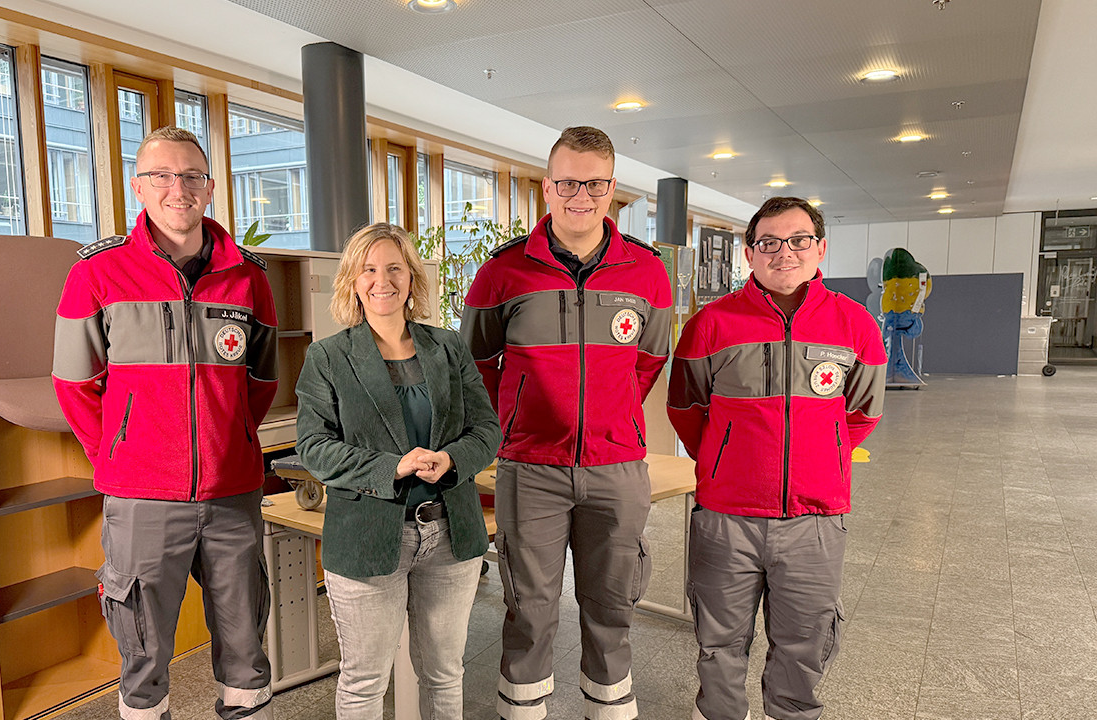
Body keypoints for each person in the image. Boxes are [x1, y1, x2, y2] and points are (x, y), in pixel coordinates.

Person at [53, 126, 278, 720]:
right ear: (139, 187)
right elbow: (74, 385)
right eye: (161, 176)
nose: (177, 188)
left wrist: (231, 438)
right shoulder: (97, 273)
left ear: (208, 187)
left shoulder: (249, 277)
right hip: (141, 495)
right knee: (144, 653)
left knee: (246, 645)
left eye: (190, 176)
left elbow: (261, 383)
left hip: (233, 492)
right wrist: (118, 454)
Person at [461, 126, 673, 720]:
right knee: (529, 605)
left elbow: (649, 362)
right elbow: (475, 361)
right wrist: (518, 419)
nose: (581, 194)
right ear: (547, 188)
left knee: (613, 601)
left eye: (596, 183)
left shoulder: (647, 272)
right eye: (568, 182)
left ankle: (609, 706)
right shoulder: (503, 272)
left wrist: (608, 417)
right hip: (531, 468)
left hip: (617, 466)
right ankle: (523, 708)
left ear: (613, 190)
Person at [667, 196, 886, 720]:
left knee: (804, 645)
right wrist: (729, 458)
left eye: (798, 240)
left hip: (814, 519)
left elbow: (862, 411)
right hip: (727, 517)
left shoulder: (854, 325)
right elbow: (686, 407)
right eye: (768, 242)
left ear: (820, 249)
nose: (783, 252)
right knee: (719, 643)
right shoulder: (710, 324)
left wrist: (821, 454)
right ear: (750, 253)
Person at [294, 223, 500, 719]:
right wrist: (394, 467)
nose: (381, 280)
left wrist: (451, 459)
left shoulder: (448, 347)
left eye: (393, 267)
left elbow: (487, 429)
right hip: (367, 535)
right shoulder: (327, 356)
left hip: (450, 533)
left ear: (412, 277)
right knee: (365, 681)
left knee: (445, 674)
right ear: (352, 279)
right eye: (368, 268)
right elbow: (314, 448)